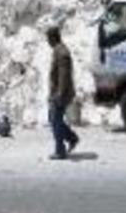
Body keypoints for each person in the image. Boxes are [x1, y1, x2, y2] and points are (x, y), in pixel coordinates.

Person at [47, 26, 79, 160]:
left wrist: (60, 93)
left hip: (61, 93)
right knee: (53, 119)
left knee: (55, 120)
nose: (47, 41)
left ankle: (60, 151)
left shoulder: (61, 52)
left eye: (48, 38)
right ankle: (72, 138)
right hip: (58, 91)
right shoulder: (58, 50)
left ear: (53, 37)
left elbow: (64, 75)